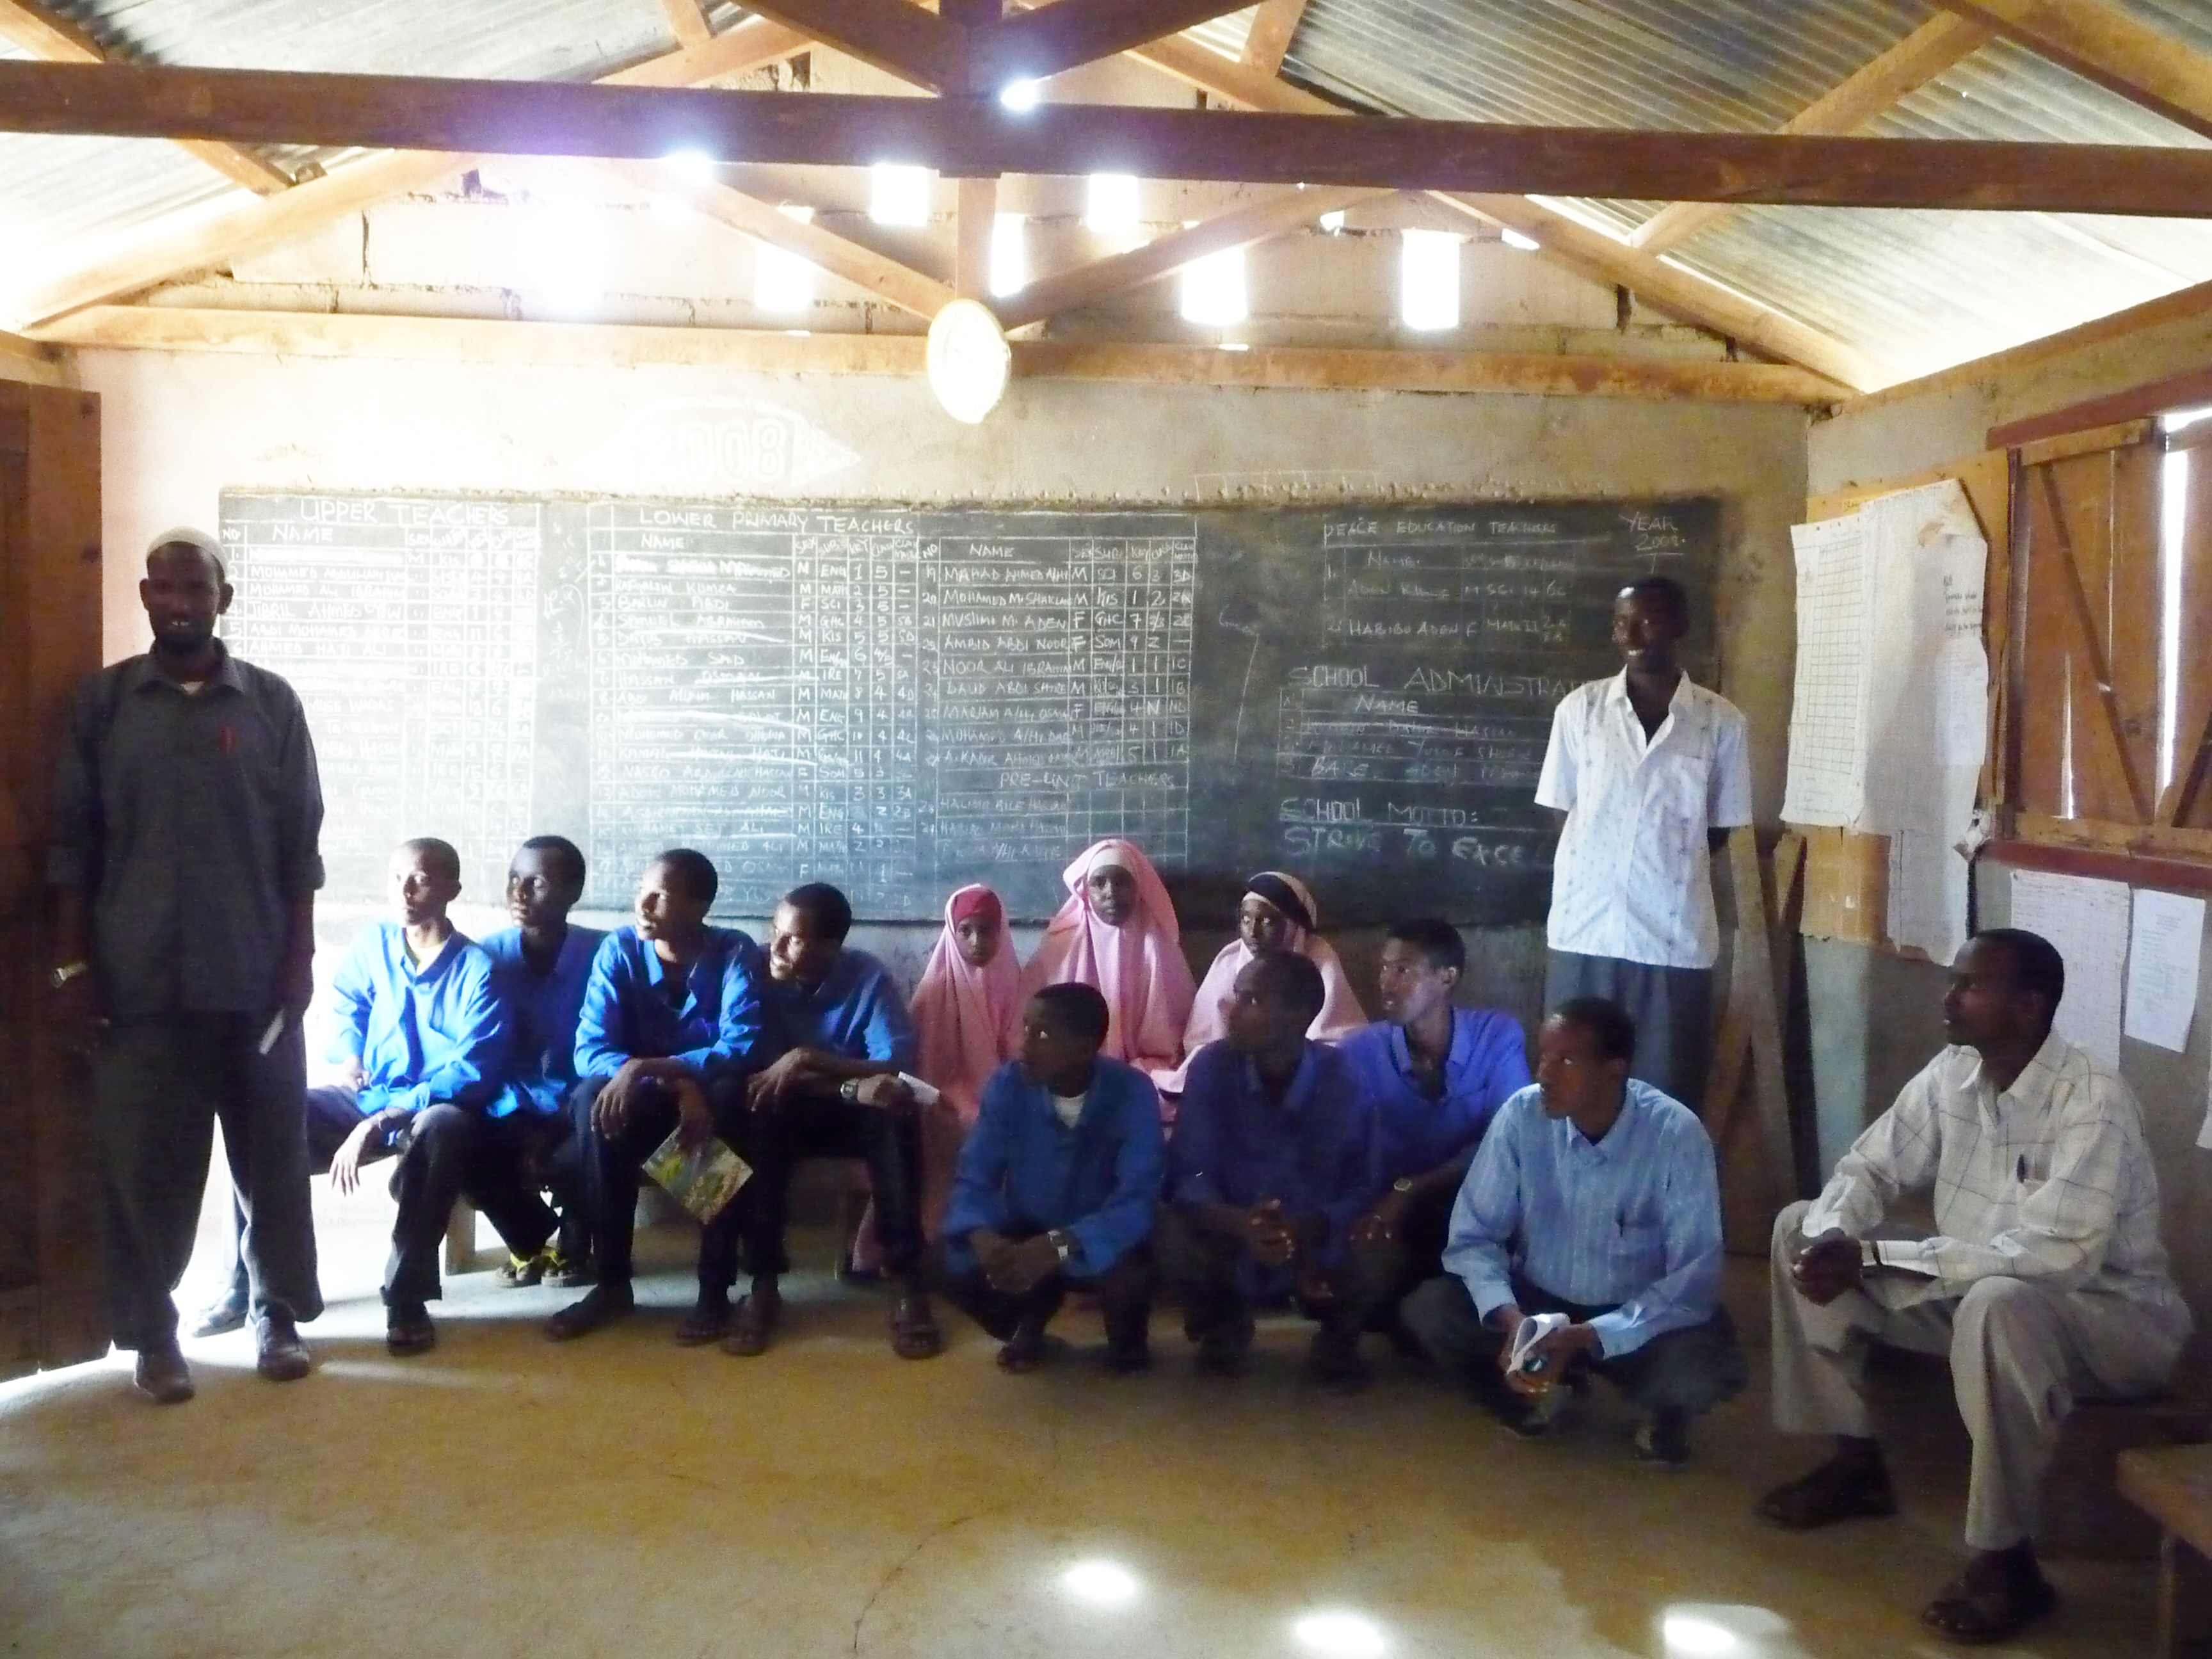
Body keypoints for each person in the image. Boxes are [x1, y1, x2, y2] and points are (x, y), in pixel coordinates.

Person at [1758, 929, 2190, 1646]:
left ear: (2029, 1007)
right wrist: (1836, 1236)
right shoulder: (1953, 1070)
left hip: (2110, 1319)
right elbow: (1870, 1168)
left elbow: (2052, 1259)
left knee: (1997, 1304)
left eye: (1972, 985)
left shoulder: (2093, 1100)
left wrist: (1877, 1257)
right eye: (1954, 980)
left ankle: (2006, 1561)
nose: (1949, 997)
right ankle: (1858, 1463)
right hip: (1977, 1287)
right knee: (1796, 1226)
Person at [49, 529, 325, 1401]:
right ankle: (153, 1336)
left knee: (272, 1156)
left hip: (255, 976)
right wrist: (71, 968)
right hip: (139, 982)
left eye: (196, 589)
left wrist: (299, 958)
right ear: (144, 596)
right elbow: (72, 845)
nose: (179, 604)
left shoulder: (271, 705)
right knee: (145, 1168)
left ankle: (276, 1315)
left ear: (222, 599)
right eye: (164, 589)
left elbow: (301, 847)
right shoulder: (104, 705)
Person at [1402, 997, 1746, 1468]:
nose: (1544, 1073)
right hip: (1538, 1300)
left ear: (1614, 1071)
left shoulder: (1676, 1136)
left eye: (1565, 1061)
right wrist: (1514, 1322)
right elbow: (1473, 1237)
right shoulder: (1521, 1116)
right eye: (1543, 1056)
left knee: (1698, 1367)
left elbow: (1693, 1279)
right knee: (1431, 1311)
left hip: (1633, 1309)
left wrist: (1589, 1335)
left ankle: (1665, 1416)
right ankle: (1539, 1393)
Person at [289, 839, 537, 1354]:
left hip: (429, 1109)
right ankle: (265, 1282)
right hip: (368, 1094)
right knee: (271, 1116)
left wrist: (379, 1121)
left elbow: (474, 1070)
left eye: (420, 880)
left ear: (451, 890)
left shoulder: (479, 969)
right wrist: (350, 1055)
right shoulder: (374, 943)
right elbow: (348, 1003)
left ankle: (406, 1297)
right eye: (396, 877)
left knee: (444, 1127)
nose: (404, 891)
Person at [1536, 573, 1751, 1109]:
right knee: (1573, 1087)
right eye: (1621, 623)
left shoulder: (1721, 723)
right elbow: (1562, 811)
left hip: (1671, 935)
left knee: (1664, 1091)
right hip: (1585, 929)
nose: (1631, 635)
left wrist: (1659, 868)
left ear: (1680, 626)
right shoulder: (1580, 711)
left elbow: (1717, 828)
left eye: (1648, 621)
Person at [544, 849, 774, 1343]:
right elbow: (591, 1048)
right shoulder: (621, 949)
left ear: (698, 907)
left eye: (660, 896)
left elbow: (742, 1045)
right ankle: (612, 1282)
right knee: (592, 1098)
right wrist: (674, 1081)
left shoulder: (733, 951)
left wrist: (651, 1068)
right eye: (641, 892)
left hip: (709, 1102)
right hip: (644, 1103)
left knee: (728, 1099)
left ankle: (714, 1290)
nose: (643, 906)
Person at [728, 883, 942, 1360]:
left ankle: (909, 1283)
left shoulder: (866, 976)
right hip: (790, 1105)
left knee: (895, 1114)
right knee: (760, 1115)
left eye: (793, 939)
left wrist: (805, 1058)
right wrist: (842, 1082)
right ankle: (763, 1283)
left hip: (854, 1111)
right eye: (775, 931)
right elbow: (754, 1070)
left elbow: (893, 1064)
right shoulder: (753, 971)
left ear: (830, 947)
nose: (776, 946)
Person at [1159, 950, 1385, 1390]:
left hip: (1314, 1239)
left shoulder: (1342, 1076)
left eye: (1252, 1000)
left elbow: (1363, 1181)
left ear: (1299, 1016)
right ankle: (1224, 1323)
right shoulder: (1211, 1068)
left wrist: (1305, 1228)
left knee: (1379, 1241)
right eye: (1236, 996)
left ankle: (1339, 1337)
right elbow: (1190, 1174)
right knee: (1168, 1230)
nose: (1232, 1011)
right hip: (1231, 1234)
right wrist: (1243, 1224)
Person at [936, 983, 1164, 1374]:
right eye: (1025, 1028)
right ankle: (1028, 1323)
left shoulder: (1132, 1091)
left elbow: (1138, 1197)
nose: (1024, 1045)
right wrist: (984, 1239)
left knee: (1134, 1268)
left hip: (1102, 1236)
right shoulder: (1008, 1085)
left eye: (1042, 1034)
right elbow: (974, 1175)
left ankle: (1128, 1338)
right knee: (944, 1261)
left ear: (1086, 1049)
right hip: (1030, 1231)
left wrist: (1062, 1243)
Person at [1340, 919, 1530, 1326]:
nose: (1386, 983)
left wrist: (1412, 1188)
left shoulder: (1497, 1037)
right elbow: (1346, 1151)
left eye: (1403, 970)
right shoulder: (1358, 1051)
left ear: (1447, 978)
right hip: (1390, 1212)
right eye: (1384, 969)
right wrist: (1389, 1200)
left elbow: (1510, 1138)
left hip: (1475, 1207)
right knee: (1363, 1274)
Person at [854, 884, 1024, 1274]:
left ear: (1001, 932)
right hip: (934, 1094)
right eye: (966, 931)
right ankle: (932, 1242)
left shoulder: (1017, 984)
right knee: (951, 1123)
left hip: (1000, 1092)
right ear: (952, 932)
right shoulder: (935, 989)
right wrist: (940, 1097)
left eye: (987, 930)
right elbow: (916, 1066)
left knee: (1004, 1124)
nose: (977, 942)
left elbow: (1021, 1058)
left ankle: (995, 1245)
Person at [477, 835, 605, 1288]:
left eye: (538, 883)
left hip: (582, 1099)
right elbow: (478, 1050)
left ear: (573, 892)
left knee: (588, 1141)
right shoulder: (485, 955)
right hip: (509, 1101)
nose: (519, 892)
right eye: (514, 878)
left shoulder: (605, 953)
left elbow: (616, 1043)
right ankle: (529, 1241)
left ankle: (576, 1241)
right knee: (460, 1139)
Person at [1164, 870, 1366, 1093]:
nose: (1253, 931)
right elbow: (1203, 1041)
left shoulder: (1319, 958)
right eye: (1246, 919)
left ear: (1292, 925)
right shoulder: (1229, 961)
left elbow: (1339, 1039)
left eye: (1267, 921)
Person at [1021, 838, 1196, 1091]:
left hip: (1144, 1072)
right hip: (1070, 1068)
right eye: (1099, 883)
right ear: (1085, 890)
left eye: (1121, 882)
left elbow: (1176, 1030)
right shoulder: (1060, 945)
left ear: (1138, 887)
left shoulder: (1160, 947)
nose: (1110, 892)